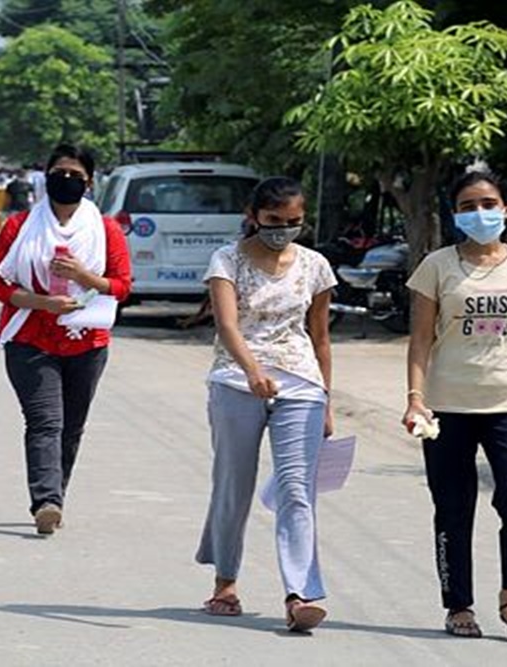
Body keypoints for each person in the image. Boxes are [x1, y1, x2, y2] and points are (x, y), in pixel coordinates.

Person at [402, 171, 507, 643]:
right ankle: (459, 605)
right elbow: (421, 340)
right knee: (452, 507)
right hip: (447, 406)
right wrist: (415, 399)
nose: (480, 213)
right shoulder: (436, 265)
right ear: (455, 214)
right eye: (468, 205)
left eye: (489, 203)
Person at [194, 176, 336, 631]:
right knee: (233, 483)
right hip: (237, 381)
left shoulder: (315, 265)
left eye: (293, 222)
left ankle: (301, 593)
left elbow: (321, 337)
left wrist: (327, 399)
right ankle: (225, 582)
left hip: (302, 386)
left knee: (298, 490)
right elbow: (228, 325)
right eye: (274, 221)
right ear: (253, 216)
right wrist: (253, 371)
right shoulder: (227, 260)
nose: (283, 229)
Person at [0, 144, 132, 536]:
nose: (65, 180)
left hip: (87, 340)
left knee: (72, 426)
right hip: (30, 336)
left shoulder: (106, 230)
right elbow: (0, 283)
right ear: (45, 176)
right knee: (44, 421)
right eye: (58, 172)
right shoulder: (20, 227)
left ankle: (56, 496)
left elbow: (121, 286)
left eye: (75, 175)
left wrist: (85, 276)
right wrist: (42, 303)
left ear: (89, 183)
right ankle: (46, 501)